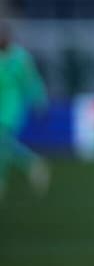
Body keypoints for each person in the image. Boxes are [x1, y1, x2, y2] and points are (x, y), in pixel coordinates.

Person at [0, 23, 49, 202]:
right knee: (3, 145)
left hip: (12, 105)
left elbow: (33, 80)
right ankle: (30, 164)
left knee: (2, 141)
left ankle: (30, 162)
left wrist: (40, 100)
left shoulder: (20, 57)